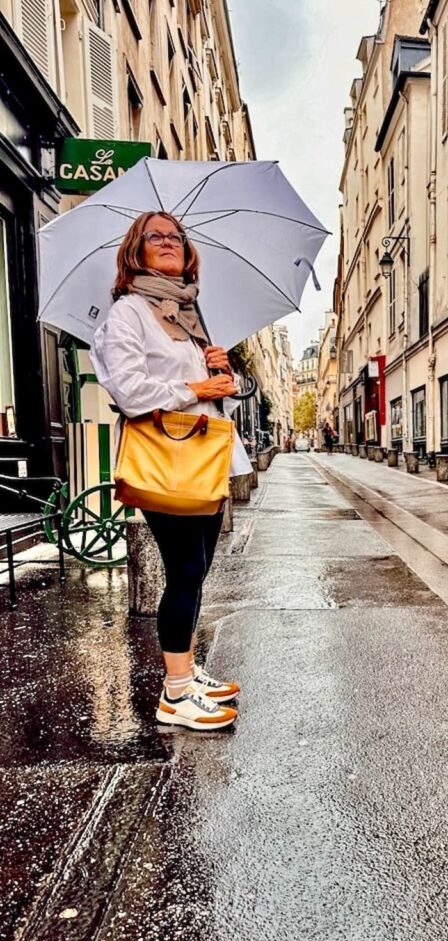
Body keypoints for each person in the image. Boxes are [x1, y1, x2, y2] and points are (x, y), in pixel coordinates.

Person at [90, 211, 251, 732]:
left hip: (205, 458)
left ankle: (185, 671)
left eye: (175, 237)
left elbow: (227, 393)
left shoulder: (188, 313)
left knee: (198, 568)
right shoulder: (128, 315)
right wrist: (197, 388)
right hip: (166, 460)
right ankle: (175, 695)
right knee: (183, 571)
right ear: (136, 249)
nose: (168, 243)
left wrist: (223, 371)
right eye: (155, 236)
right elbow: (130, 392)